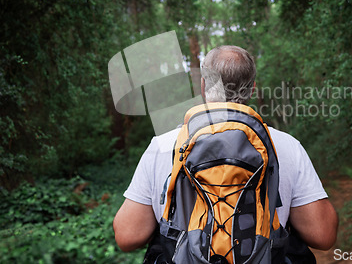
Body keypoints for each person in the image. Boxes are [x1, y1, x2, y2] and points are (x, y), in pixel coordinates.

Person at [113, 45, 338, 256]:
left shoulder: (163, 146)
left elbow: (127, 236)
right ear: (252, 88)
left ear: (203, 85)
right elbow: (323, 235)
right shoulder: (286, 146)